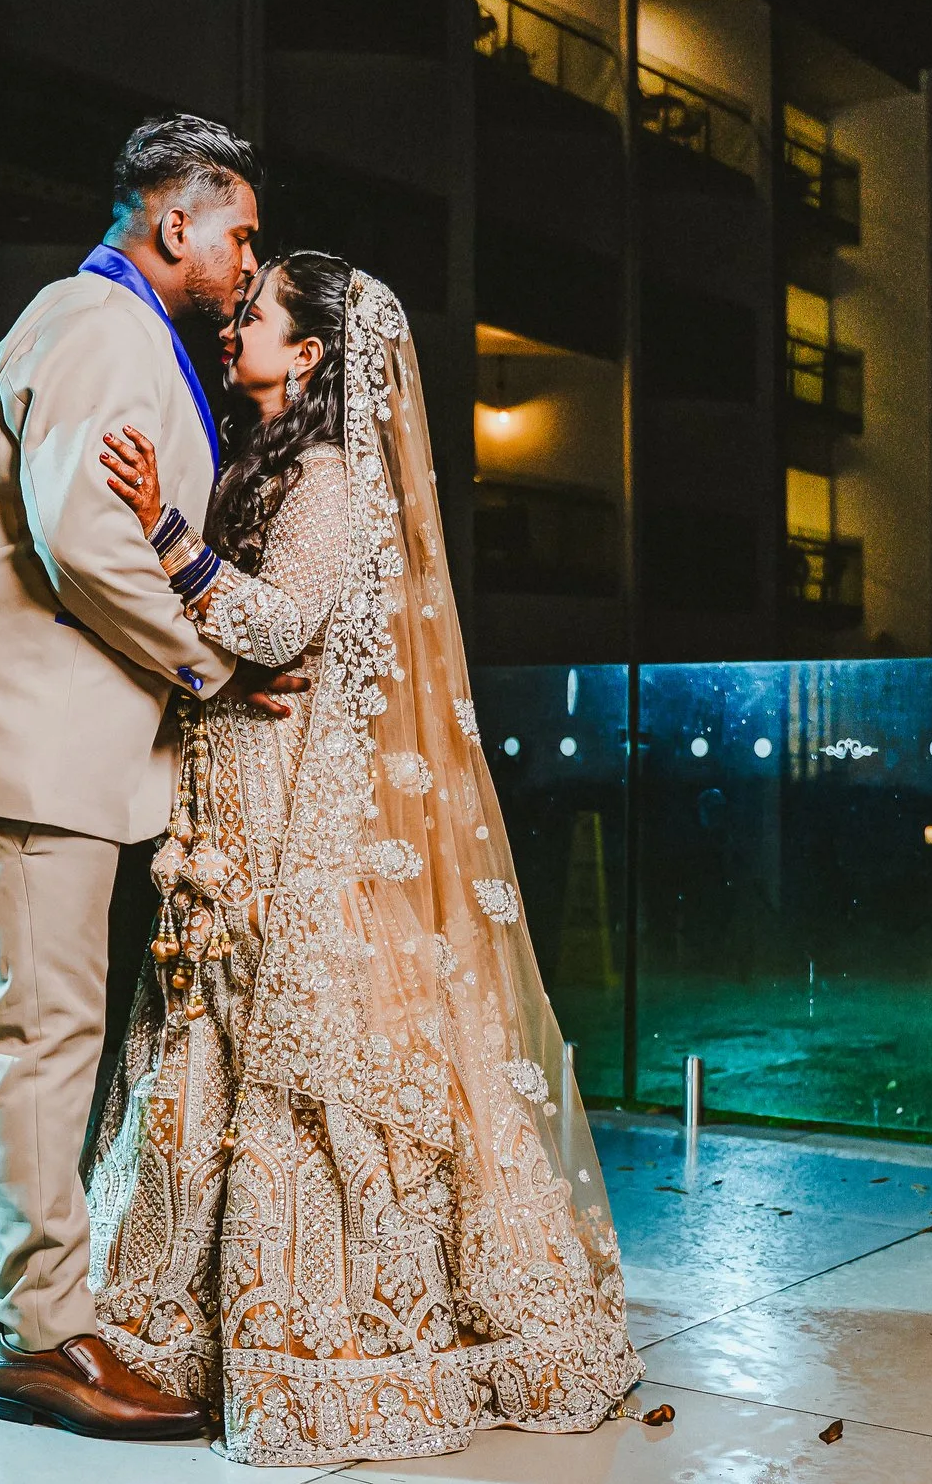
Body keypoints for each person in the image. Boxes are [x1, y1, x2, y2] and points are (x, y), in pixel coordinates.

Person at [85, 252, 641, 1465]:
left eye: (257, 314)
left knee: (271, 1040)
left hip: (282, 813)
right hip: (224, 782)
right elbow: (256, 629)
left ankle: (328, 1340)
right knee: (198, 1033)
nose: (233, 328)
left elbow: (284, 622)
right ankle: (169, 1319)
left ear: (314, 354)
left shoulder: (330, 475)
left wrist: (169, 538)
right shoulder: (270, 466)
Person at [0, 114, 302, 1442]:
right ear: (176, 224)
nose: (249, 262)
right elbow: (86, 538)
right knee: (40, 1033)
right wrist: (206, 666)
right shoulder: (104, 328)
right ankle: (45, 1337)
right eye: (241, 234)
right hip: (21, 744)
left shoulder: (75, 317)